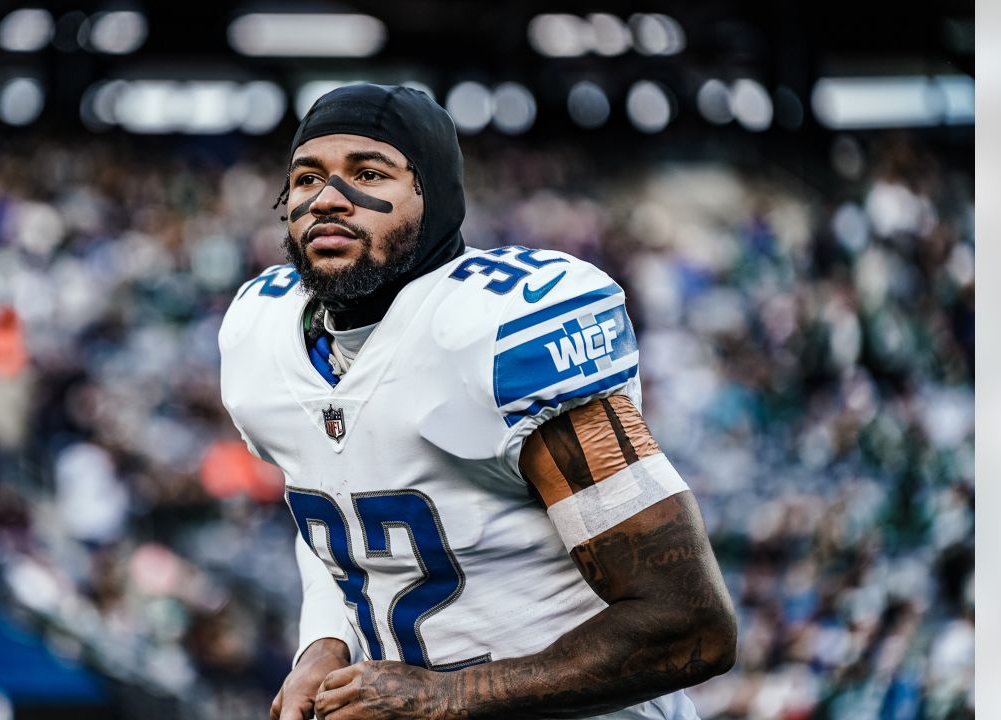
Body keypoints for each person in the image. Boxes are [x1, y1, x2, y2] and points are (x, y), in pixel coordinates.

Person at [219, 84, 737, 720]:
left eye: (369, 173)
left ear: (432, 196)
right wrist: (323, 648)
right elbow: (339, 519)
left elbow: (691, 625)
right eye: (306, 179)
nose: (328, 200)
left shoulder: (495, 335)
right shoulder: (263, 333)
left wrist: (448, 696)